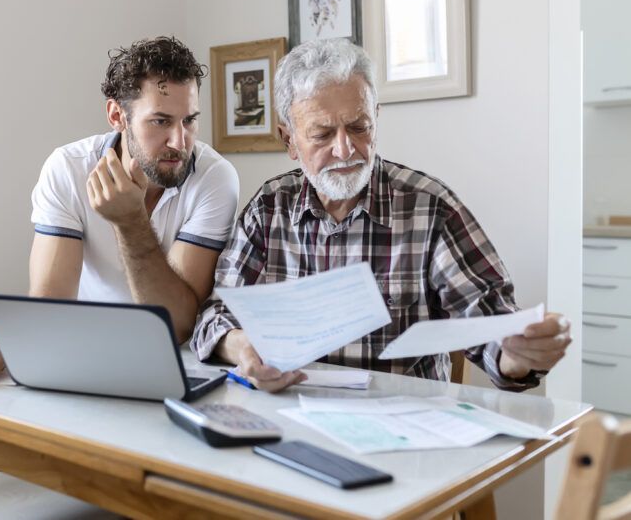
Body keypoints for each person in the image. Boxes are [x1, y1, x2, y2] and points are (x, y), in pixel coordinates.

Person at [191, 38, 572, 393]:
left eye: (359, 127)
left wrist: (518, 356)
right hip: (289, 418)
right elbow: (214, 317)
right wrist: (242, 348)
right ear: (288, 139)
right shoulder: (269, 207)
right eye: (322, 134)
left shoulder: (430, 208)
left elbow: (491, 323)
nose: (345, 149)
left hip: (401, 432)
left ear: (376, 118)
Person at [0, 36, 239, 388]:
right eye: (160, 121)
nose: (179, 141)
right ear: (116, 116)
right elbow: (50, 307)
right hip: (84, 358)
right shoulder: (68, 169)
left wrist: (131, 223)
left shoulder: (215, 178)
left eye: (189, 121)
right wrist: (8, 342)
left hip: (178, 368)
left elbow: (178, 326)